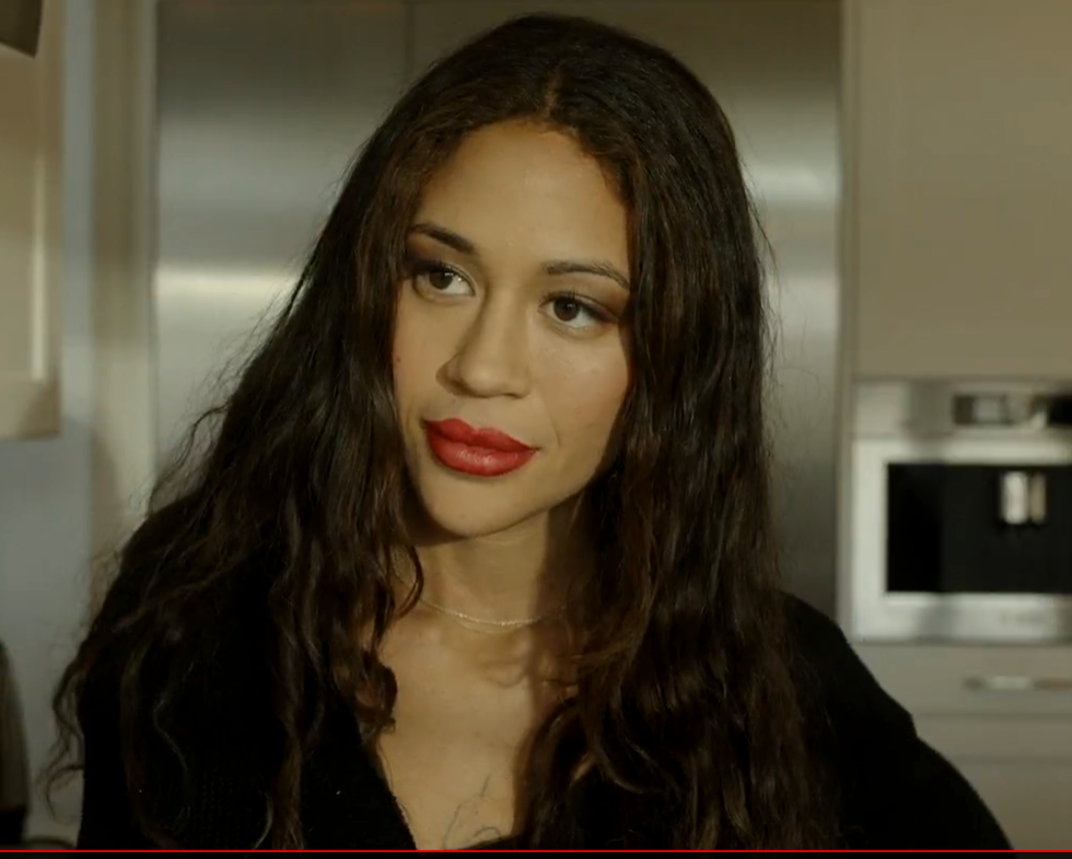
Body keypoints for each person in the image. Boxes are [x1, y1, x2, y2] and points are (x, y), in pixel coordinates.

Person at [48, 13, 1011, 851]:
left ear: (676, 358)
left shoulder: (780, 686)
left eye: (575, 308)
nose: (484, 367)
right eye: (441, 276)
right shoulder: (199, 616)